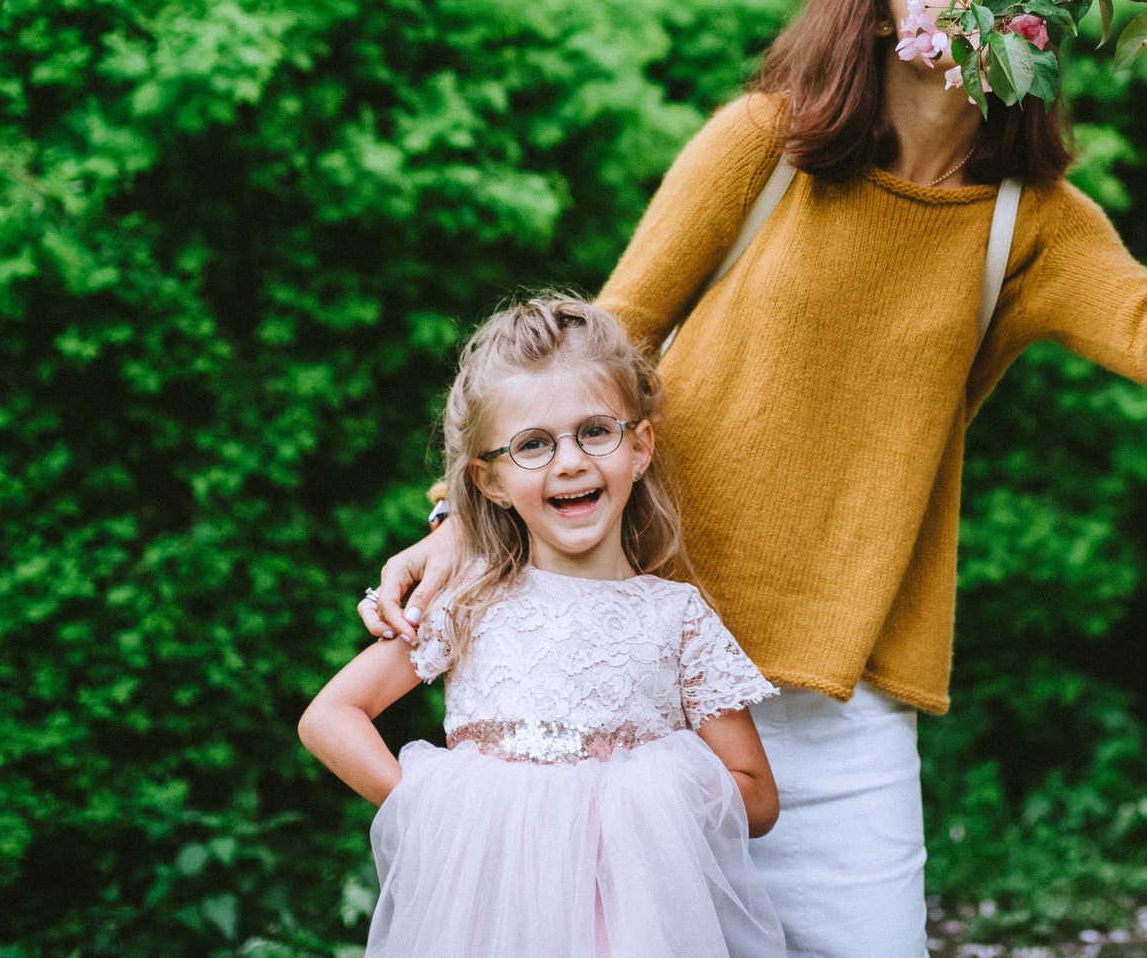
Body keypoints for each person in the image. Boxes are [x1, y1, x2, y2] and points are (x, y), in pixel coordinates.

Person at [363, 0, 1147, 957]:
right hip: (655, 683)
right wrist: (463, 526)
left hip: (847, 712)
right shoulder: (770, 144)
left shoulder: (1029, 223)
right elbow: (605, 342)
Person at [301, 297, 787, 958]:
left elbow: (756, 796)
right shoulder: (469, 602)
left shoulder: (677, 617)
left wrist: (648, 792)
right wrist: (436, 807)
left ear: (639, 446)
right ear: (491, 480)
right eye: (533, 444)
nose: (569, 462)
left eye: (595, 431)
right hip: (488, 921)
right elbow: (331, 715)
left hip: (631, 923)